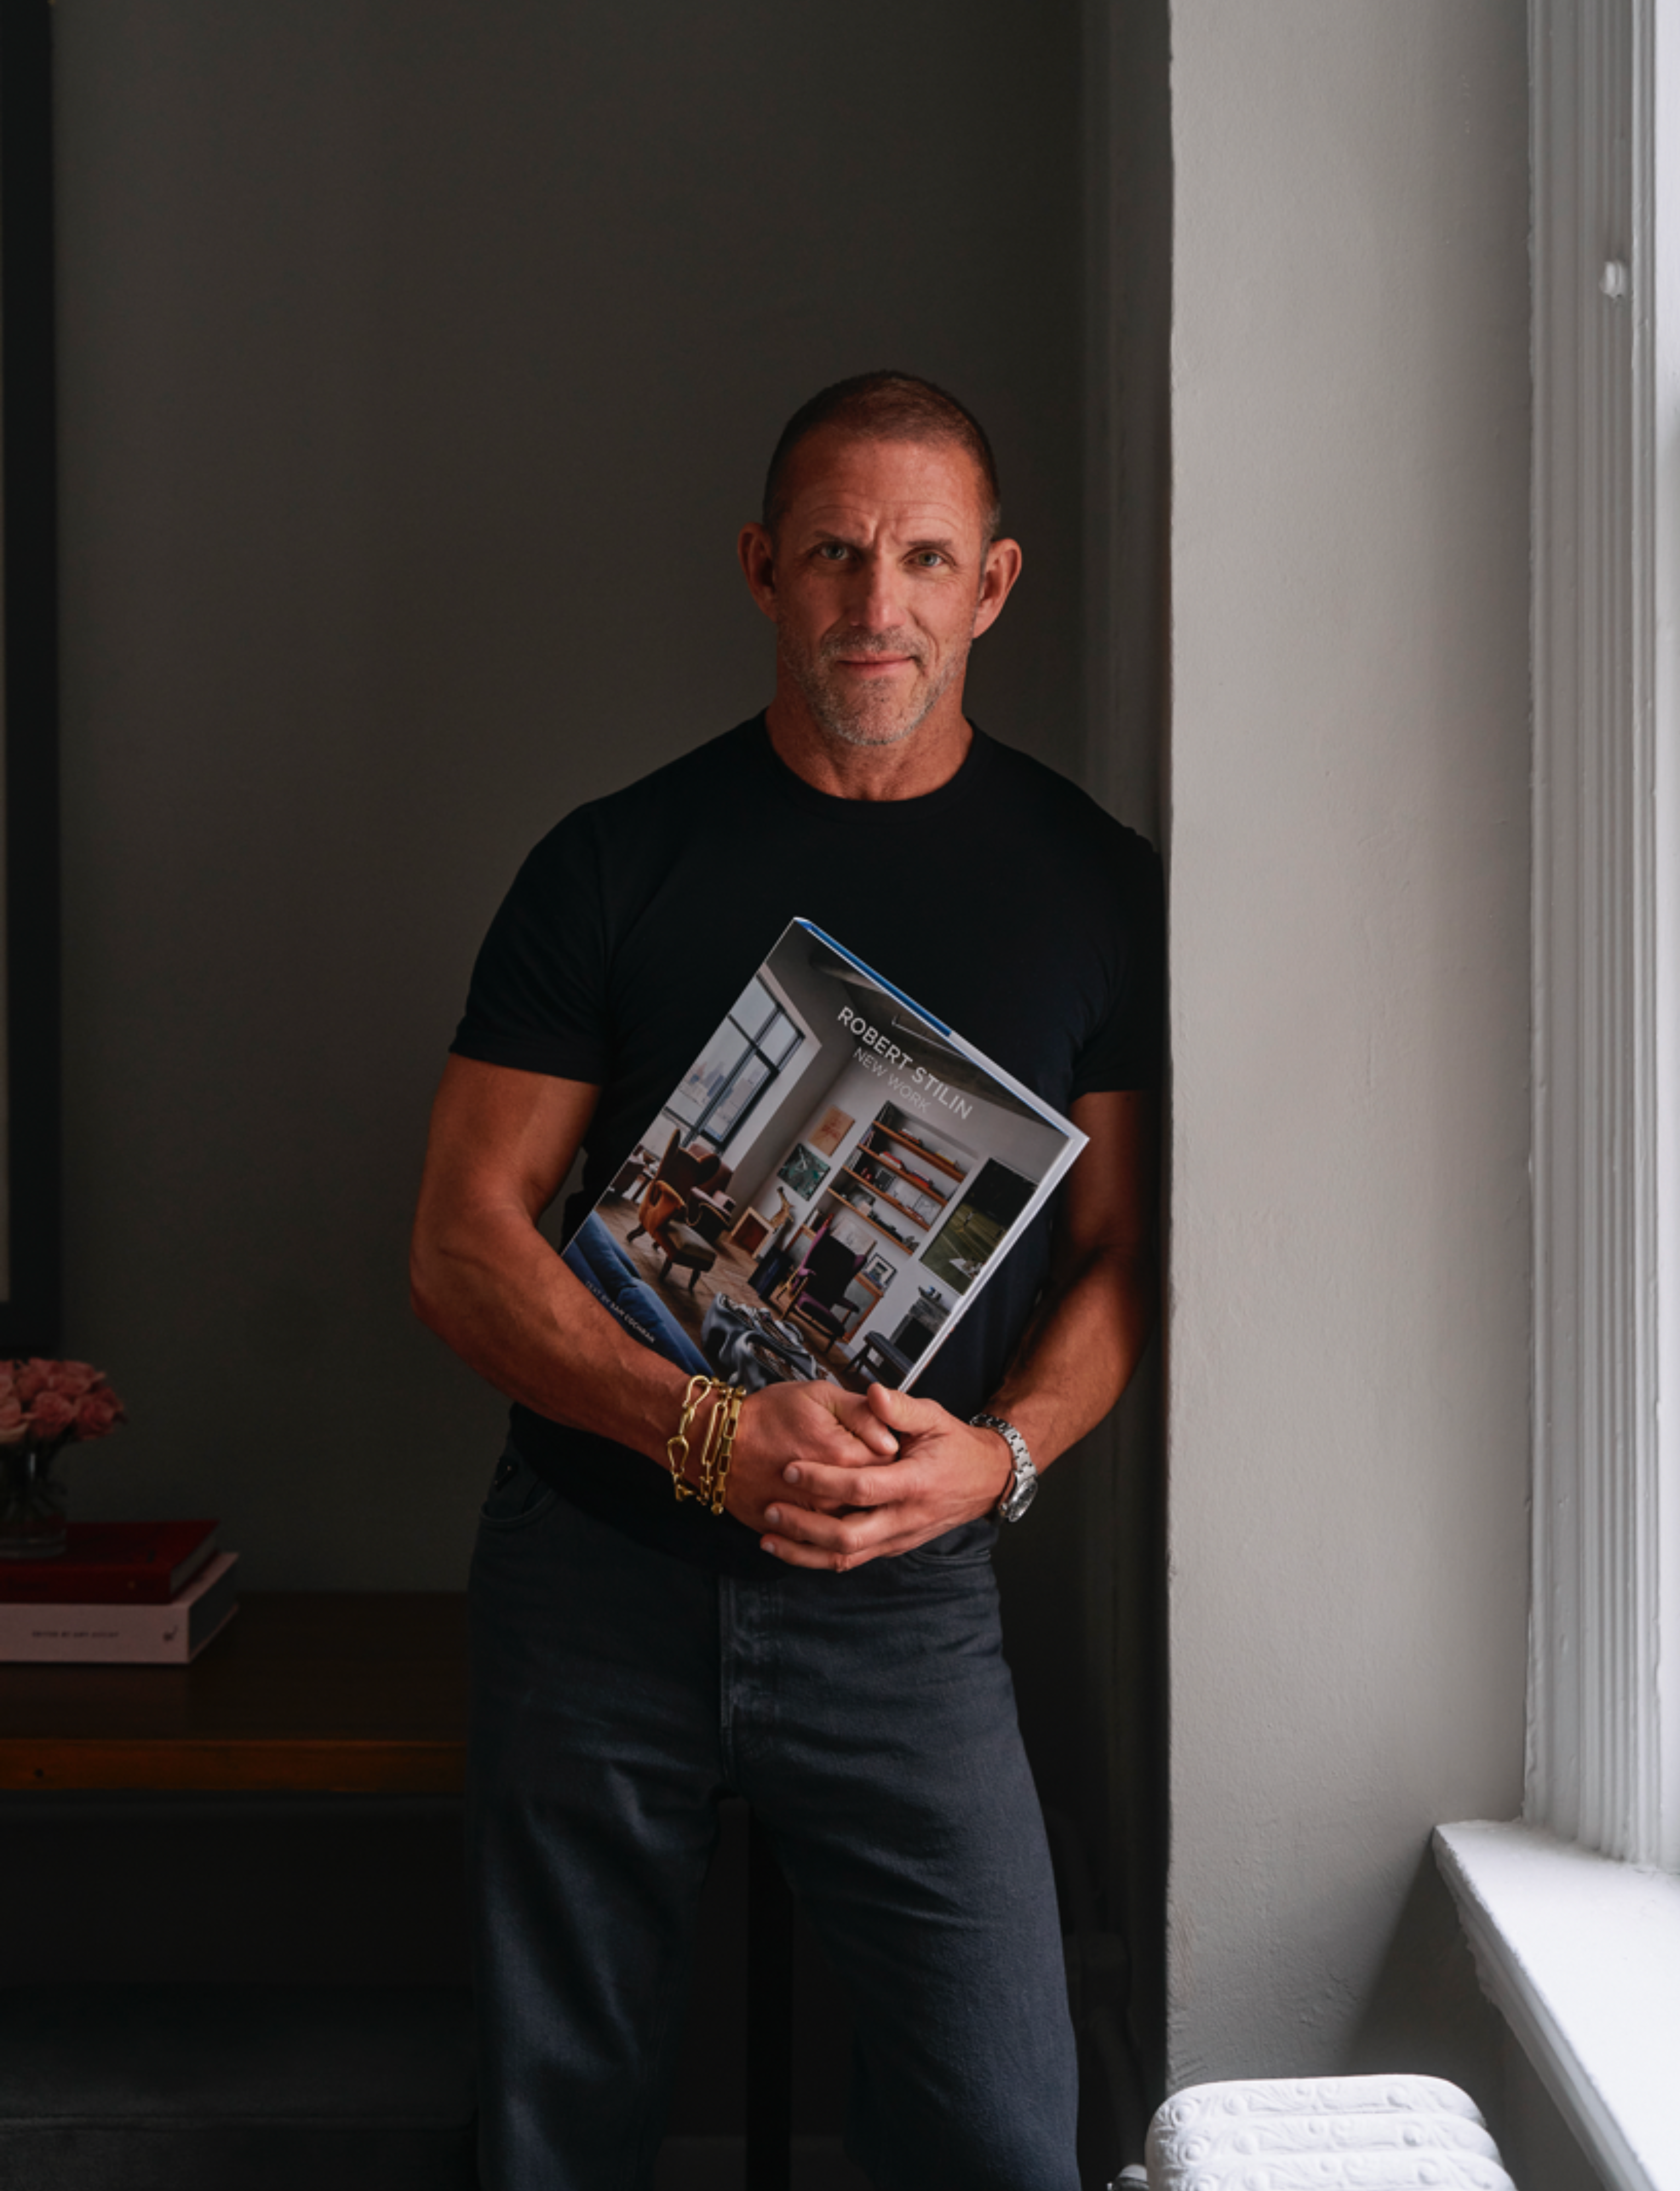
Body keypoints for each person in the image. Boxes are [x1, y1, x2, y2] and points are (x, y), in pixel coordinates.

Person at [410, 371, 1163, 2191]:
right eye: (835, 551)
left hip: (904, 1597)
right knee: (551, 2133)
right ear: (765, 568)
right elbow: (459, 1242)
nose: (874, 603)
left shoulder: (1098, 890)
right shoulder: (611, 862)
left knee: (1002, 2132)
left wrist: (1004, 1463)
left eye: (920, 558)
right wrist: (702, 1435)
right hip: (599, 1569)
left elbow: (1126, 1257)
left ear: (992, 587)